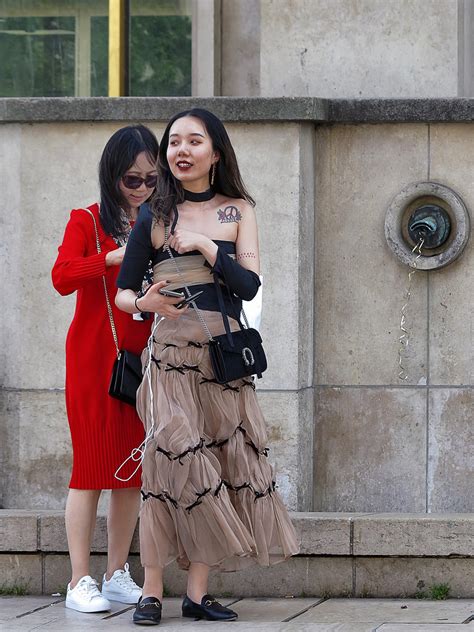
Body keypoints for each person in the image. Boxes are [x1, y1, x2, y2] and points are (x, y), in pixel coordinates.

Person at [115, 108, 299, 627]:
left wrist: (203, 248)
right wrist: (142, 305)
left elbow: (249, 286)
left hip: (222, 361)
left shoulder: (237, 210)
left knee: (217, 466)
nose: (182, 150)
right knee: (172, 465)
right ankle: (151, 590)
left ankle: (196, 594)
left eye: (195, 141)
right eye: (174, 141)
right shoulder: (153, 214)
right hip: (170, 360)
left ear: (215, 152)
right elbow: (125, 290)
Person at [51, 124, 159, 613]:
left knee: (131, 472)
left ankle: (117, 573)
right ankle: (79, 580)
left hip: (146, 363)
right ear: (112, 175)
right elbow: (62, 277)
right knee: (90, 468)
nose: (140, 189)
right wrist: (112, 256)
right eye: (131, 180)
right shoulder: (87, 219)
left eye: (150, 180)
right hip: (95, 360)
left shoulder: (161, 224)